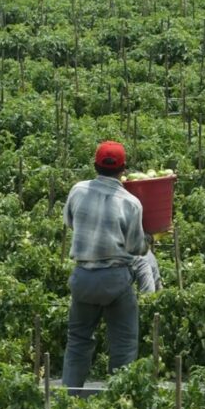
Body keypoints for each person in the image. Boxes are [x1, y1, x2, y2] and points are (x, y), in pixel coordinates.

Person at [62, 140, 148, 396]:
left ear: (94, 165)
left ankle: (70, 397)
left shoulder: (77, 191)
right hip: (115, 281)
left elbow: (69, 222)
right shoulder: (130, 203)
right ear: (123, 170)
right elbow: (136, 247)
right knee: (123, 344)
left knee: (78, 341)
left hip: (84, 279)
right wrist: (150, 239)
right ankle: (119, 401)